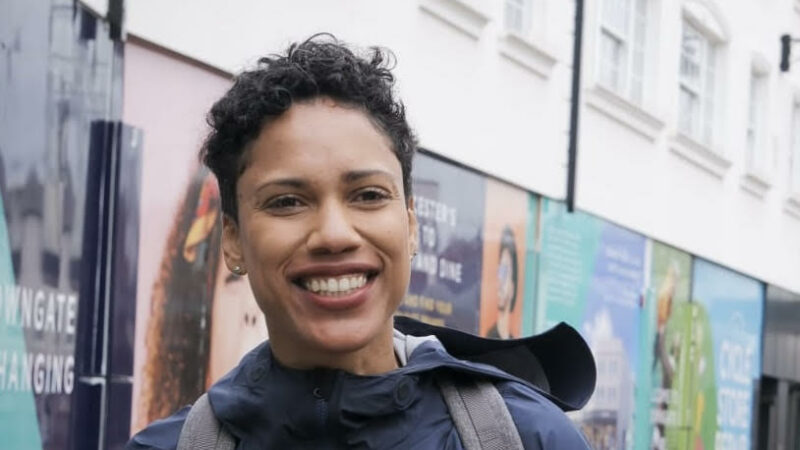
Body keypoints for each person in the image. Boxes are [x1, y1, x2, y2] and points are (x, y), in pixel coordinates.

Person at [127, 34, 595, 450]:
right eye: (287, 202)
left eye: (368, 195)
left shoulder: (532, 437)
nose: (334, 234)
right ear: (232, 239)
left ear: (411, 224)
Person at [486, 226, 519, 340]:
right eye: (501, 271)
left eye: (506, 272)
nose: (501, 280)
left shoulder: (515, 345)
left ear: (513, 288)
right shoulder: (488, 338)